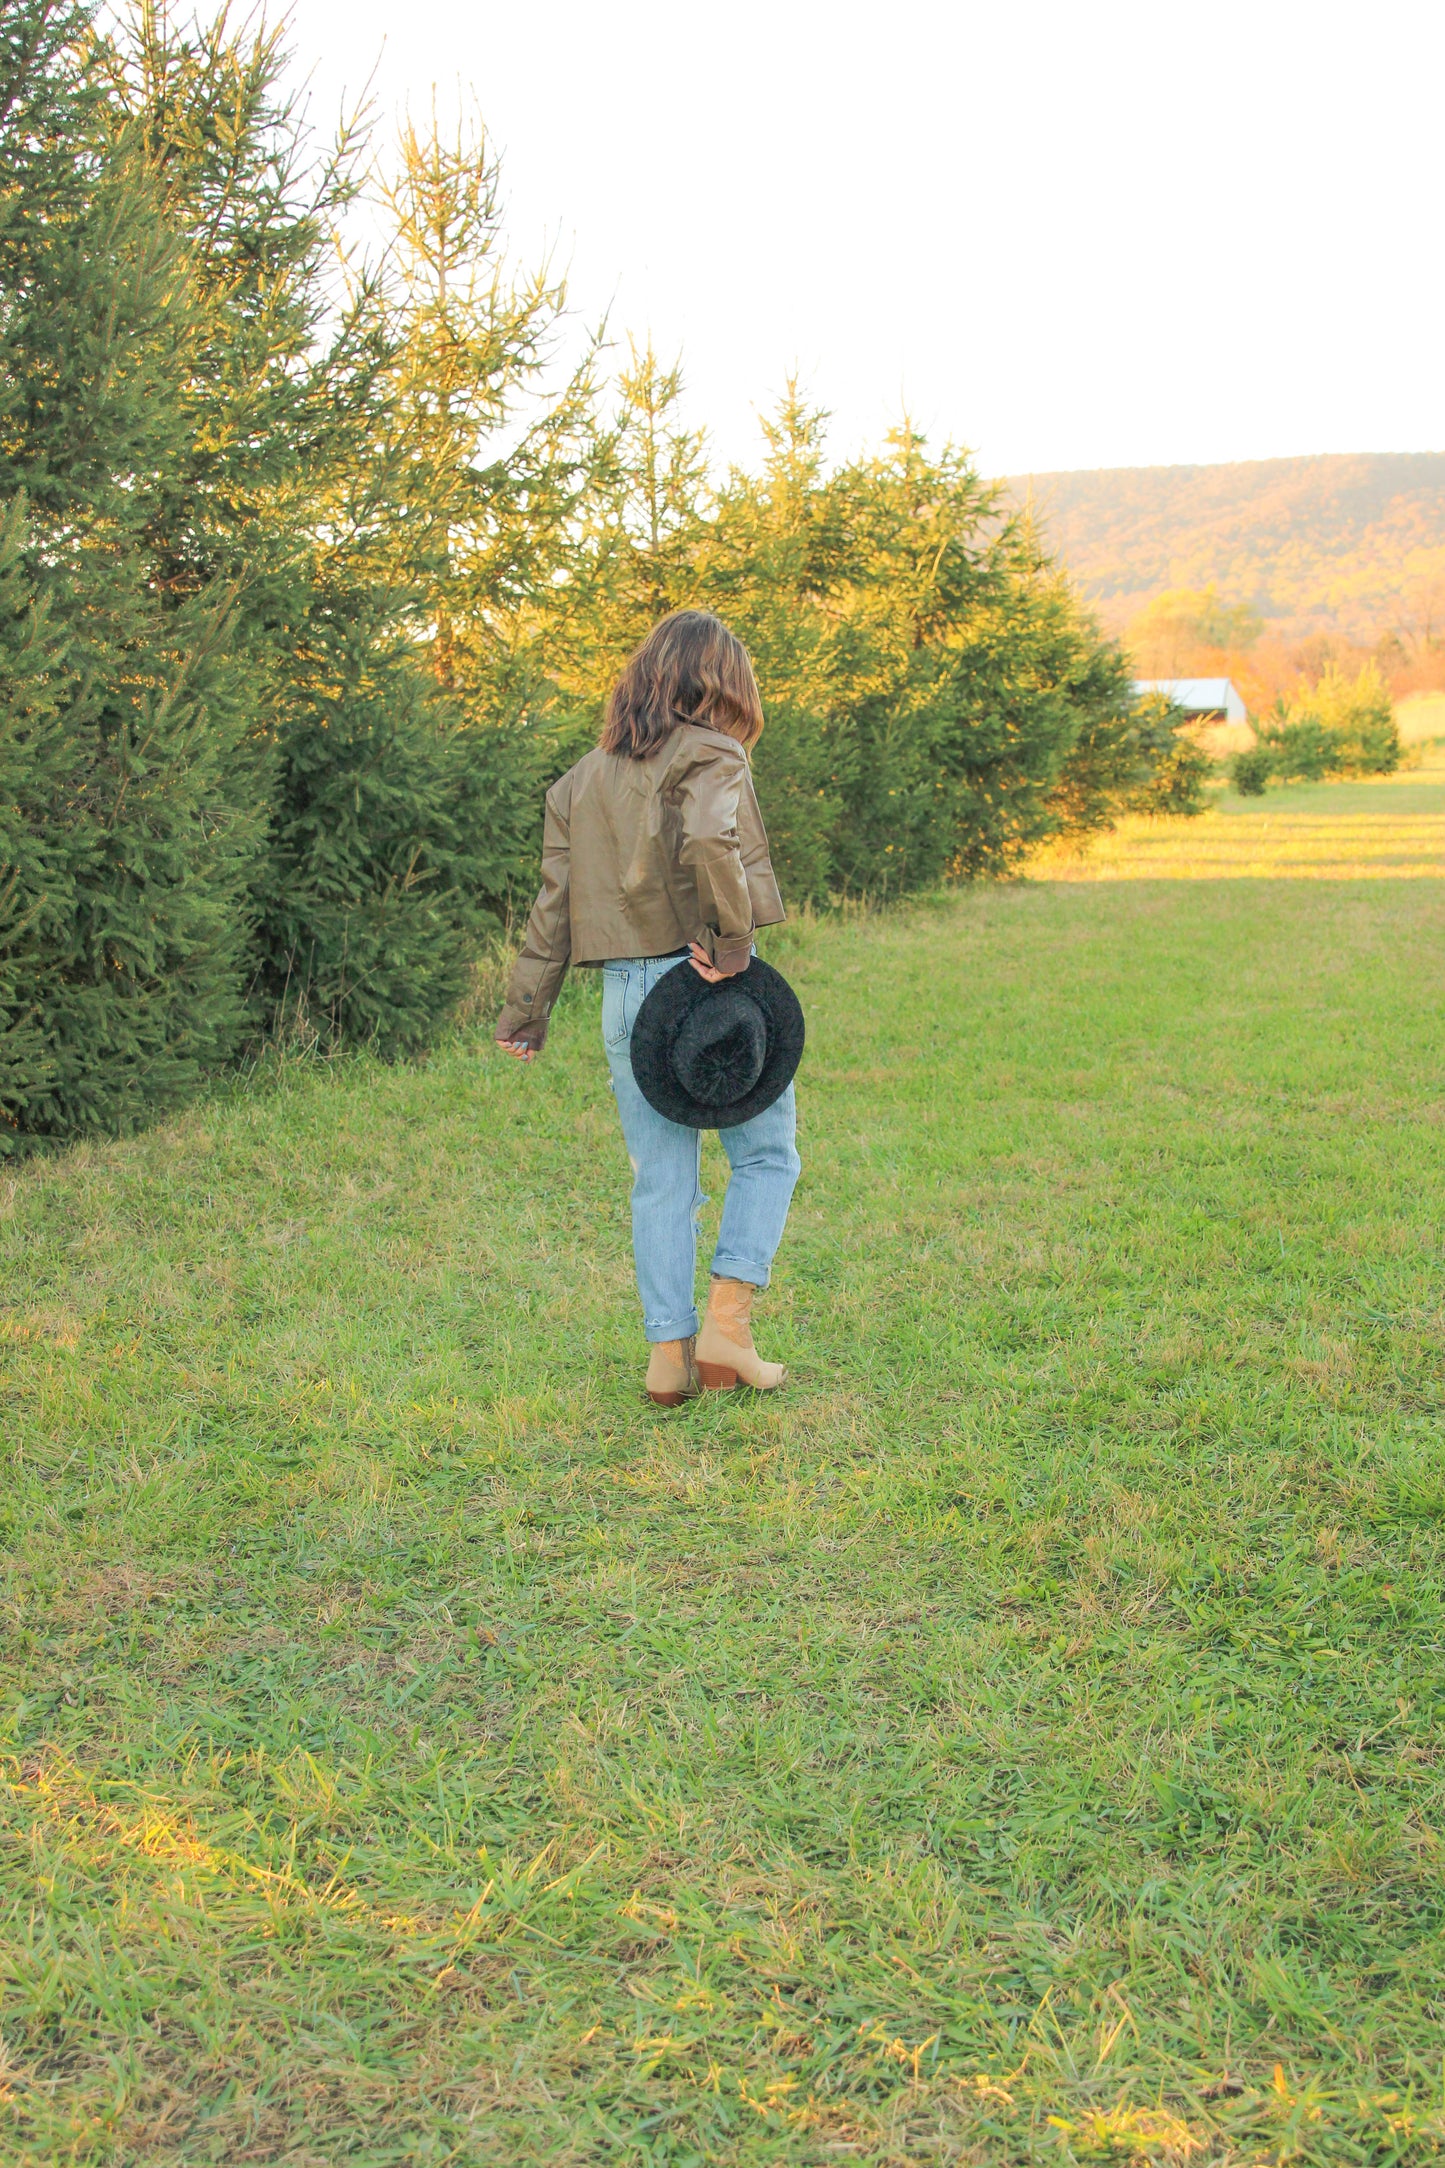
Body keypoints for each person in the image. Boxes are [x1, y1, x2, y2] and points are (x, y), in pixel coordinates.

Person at [495, 608, 801, 1404]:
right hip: (707, 981)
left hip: (627, 995)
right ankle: (727, 1333)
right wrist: (731, 943)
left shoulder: (580, 780)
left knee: (661, 1178)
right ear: (720, 682)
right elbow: (708, 842)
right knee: (765, 1155)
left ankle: (668, 1360)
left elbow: (553, 905)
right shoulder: (713, 752)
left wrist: (528, 1010)